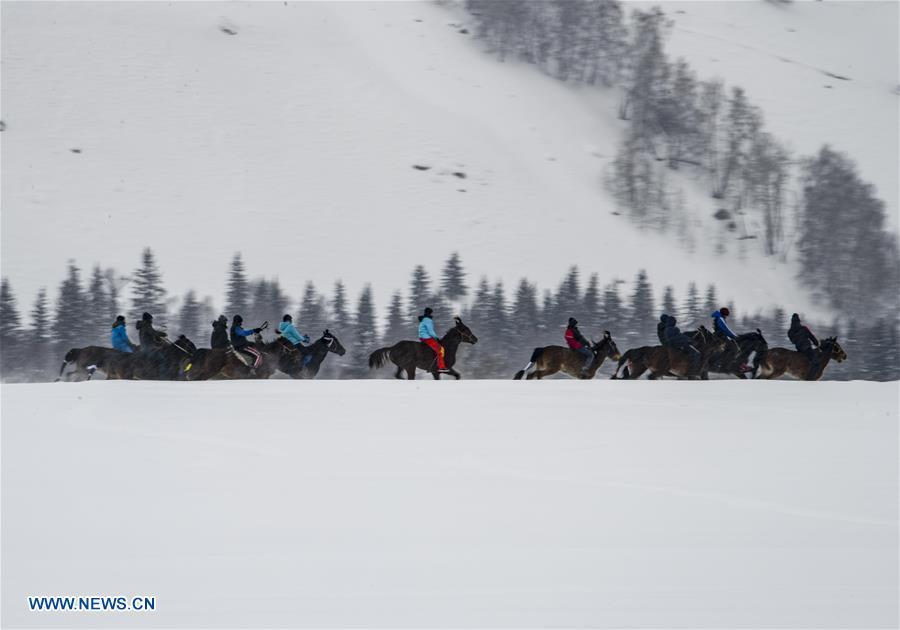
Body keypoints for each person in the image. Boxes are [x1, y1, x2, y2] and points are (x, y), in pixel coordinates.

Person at [788, 313, 820, 377]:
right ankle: (812, 374)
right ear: (799, 321)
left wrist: (798, 341)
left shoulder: (790, 331)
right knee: (815, 360)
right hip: (807, 347)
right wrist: (816, 343)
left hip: (799, 348)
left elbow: (792, 341)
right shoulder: (804, 328)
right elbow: (811, 336)